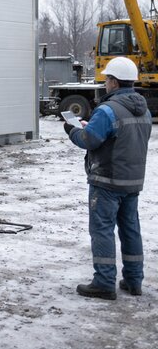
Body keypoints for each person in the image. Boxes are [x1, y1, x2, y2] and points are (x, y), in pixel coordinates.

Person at [64, 57, 151, 300]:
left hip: (107, 181)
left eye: (107, 79)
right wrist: (90, 126)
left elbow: (89, 141)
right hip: (132, 180)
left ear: (113, 81)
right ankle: (134, 280)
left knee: (102, 230)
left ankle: (103, 282)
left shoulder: (107, 109)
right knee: (130, 229)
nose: (105, 83)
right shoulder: (144, 109)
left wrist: (73, 131)